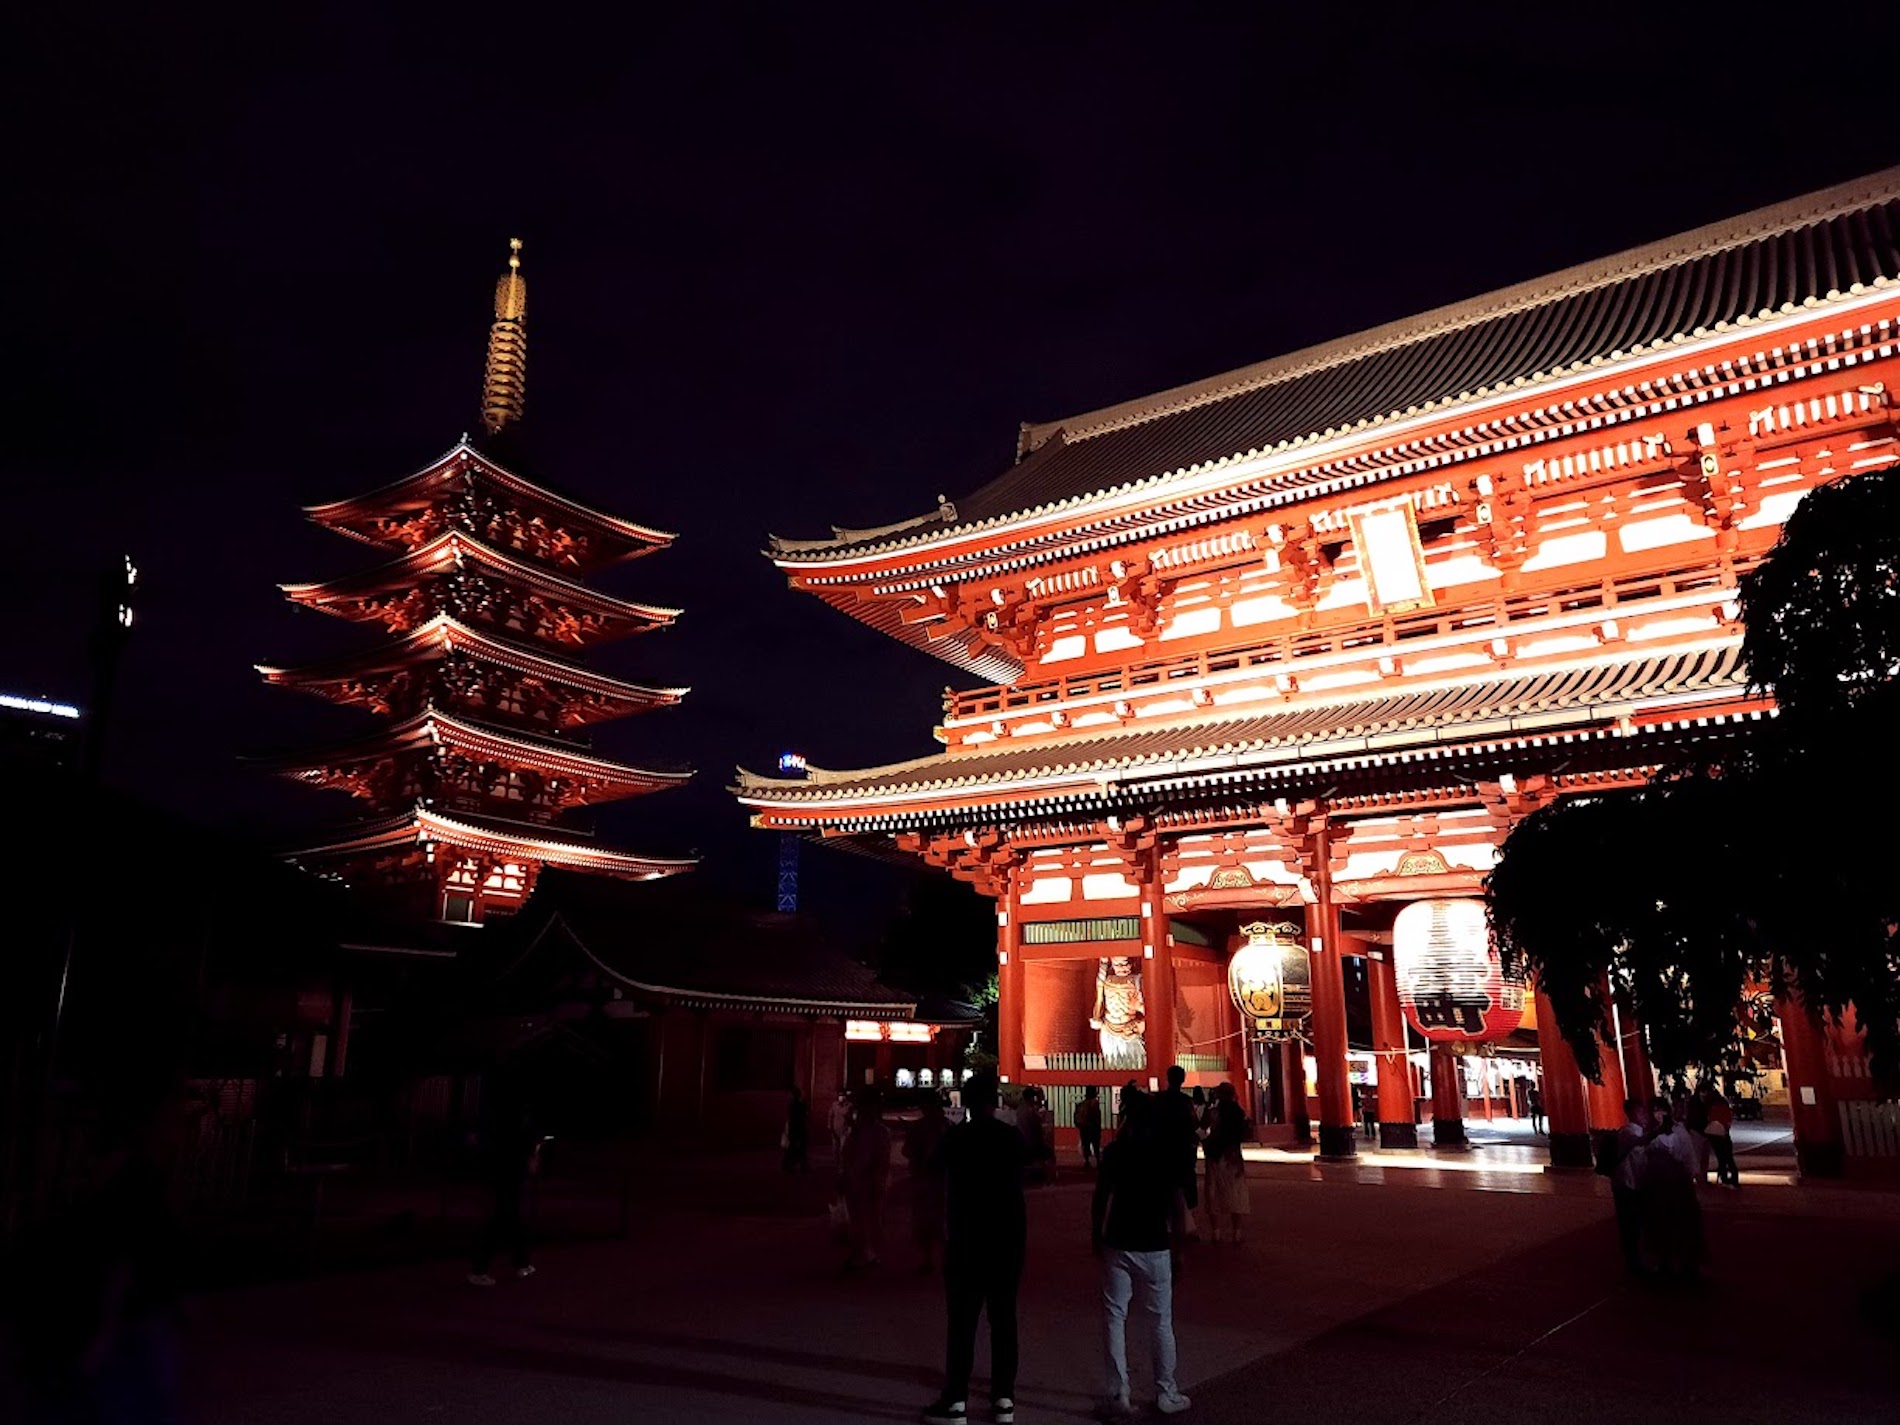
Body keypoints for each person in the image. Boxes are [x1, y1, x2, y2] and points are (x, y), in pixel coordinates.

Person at [922, 1072, 1027, 1425]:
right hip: (1006, 1242)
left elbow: (931, 1169)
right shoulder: (1011, 1137)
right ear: (994, 1101)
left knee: (962, 1323)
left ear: (965, 1101)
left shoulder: (958, 1138)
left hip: (967, 1240)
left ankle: (955, 1400)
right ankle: (1003, 1399)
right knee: (1004, 1321)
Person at [1091, 1092, 1192, 1418]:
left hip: (1118, 1241)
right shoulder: (1167, 1153)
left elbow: (1100, 1197)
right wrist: (1178, 1250)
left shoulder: (1115, 1152)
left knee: (1114, 1317)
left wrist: (1096, 1235)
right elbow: (1178, 1208)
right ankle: (1166, 1391)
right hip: (1155, 1245)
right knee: (1161, 1321)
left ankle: (1118, 1392)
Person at [470, 1084, 541, 1286]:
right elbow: (525, 1142)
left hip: (503, 1170)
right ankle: (481, 1267)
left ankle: (520, 1262)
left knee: (508, 1215)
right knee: (505, 1216)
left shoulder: (499, 1116)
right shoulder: (516, 1119)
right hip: (509, 1170)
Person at [1644, 1097, 1704, 1277]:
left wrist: (1692, 1176)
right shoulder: (1653, 1132)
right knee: (1663, 1224)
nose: (1657, 1114)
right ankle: (1665, 1260)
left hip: (1676, 1184)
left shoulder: (1677, 1131)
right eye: (1654, 1110)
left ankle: (1687, 1262)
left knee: (1680, 1223)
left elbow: (1688, 1157)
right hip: (1659, 1184)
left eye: (1660, 1110)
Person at [841, 1087, 892, 1271]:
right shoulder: (858, 1131)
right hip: (858, 1180)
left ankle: (864, 1254)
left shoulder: (877, 1132)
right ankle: (864, 1253)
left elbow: (880, 1160)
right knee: (861, 1218)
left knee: (867, 1218)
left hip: (868, 1182)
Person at [1201, 1082, 1252, 1244]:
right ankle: (1236, 1232)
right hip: (1233, 1156)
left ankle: (1216, 1232)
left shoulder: (1213, 1112)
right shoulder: (1239, 1112)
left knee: (1213, 1191)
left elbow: (1202, 1129)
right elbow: (1245, 1134)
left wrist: (1206, 1142)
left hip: (1215, 1155)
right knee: (1236, 1193)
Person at [905, 1095, 951, 1273]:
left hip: (925, 1178)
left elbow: (907, 1151)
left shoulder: (920, 1127)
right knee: (940, 1220)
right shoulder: (947, 1126)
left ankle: (928, 1259)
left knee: (926, 1220)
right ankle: (941, 1258)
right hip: (941, 1180)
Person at [1608, 1097, 1651, 1275]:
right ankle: (1633, 1261)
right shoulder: (1627, 1132)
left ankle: (1637, 1258)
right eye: (1640, 1112)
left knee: (1635, 1223)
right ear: (1631, 1113)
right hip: (1626, 1185)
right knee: (1630, 1224)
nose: (1645, 1115)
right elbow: (1637, 1143)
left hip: (1632, 1183)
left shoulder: (1638, 1131)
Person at [1154, 1065, 1201, 1222]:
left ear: (1168, 1078)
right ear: (1182, 1080)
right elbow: (1193, 1124)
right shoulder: (1186, 1102)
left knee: (1163, 1185)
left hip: (1162, 1149)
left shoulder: (1158, 1100)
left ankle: (1164, 1221)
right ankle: (1186, 1221)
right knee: (1185, 1184)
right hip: (1183, 1149)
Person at [1702, 1084, 1739, 1188]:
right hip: (1724, 1132)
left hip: (1714, 1134)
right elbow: (1728, 1119)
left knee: (1721, 1157)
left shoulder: (1711, 1107)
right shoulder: (1724, 1105)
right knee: (1729, 1157)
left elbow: (1709, 1119)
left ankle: (1723, 1177)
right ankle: (1733, 1178)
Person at [1075, 1085, 1104, 1168]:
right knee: (1096, 1144)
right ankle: (1098, 1161)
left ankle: (1087, 1161)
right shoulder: (1094, 1103)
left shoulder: (1082, 1104)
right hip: (1093, 1127)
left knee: (1086, 1144)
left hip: (1084, 1127)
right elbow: (1096, 1116)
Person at [783, 1085, 810, 1173]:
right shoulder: (801, 1105)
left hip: (795, 1129)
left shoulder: (792, 1105)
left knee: (792, 1148)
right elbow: (805, 1116)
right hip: (800, 1128)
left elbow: (790, 1118)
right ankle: (799, 1165)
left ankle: (790, 1165)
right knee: (799, 1148)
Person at [828, 1090, 851, 1157]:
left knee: (842, 1149)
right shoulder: (834, 1104)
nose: (841, 1097)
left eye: (843, 1096)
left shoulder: (848, 1105)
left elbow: (845, 1113)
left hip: (844, 1130)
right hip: (835, 1130)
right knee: (835, 1149)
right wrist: (829, 1126)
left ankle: (842, 1165)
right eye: (840, 1096)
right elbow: (830, 1115)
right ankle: (837, 1163)